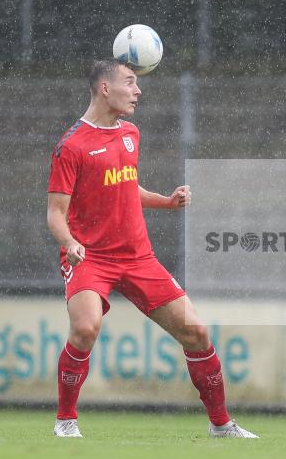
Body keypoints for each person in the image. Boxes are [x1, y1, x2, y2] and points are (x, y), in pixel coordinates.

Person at [46, 58, 257, 439]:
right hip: (90, 257)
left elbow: (125, 187)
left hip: (137, 257)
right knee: (85, 327)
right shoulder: (71, 146)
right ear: (105, 88)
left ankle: (222, 425)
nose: (138, 90)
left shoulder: (131, 133)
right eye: (130, 82)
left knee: (196, 332)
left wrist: (167, 202)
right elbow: (55, 214)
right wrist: (70, 243)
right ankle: (65, 421)